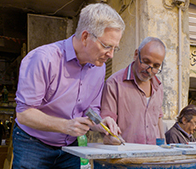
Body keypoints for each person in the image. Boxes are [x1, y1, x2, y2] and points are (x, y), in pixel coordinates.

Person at [13, 3, 125, 168]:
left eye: (115, 48)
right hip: (33, 144)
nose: (111, 55)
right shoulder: (43, 59)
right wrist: (65, 126)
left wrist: (102, 124)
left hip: (70, 148)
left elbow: (90, 111)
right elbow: (24, 114)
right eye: (106, 46)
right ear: (85, 37)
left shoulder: (98, 69)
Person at [101, 37, 166, 145]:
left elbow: (158, 118)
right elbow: (107, 122)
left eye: (156, 66)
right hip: (125, 157)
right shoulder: (114, 83)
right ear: (136, 54)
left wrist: (164, 144)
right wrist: (111, 138)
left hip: (153, 156)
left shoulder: (158, 87)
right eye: (146, 62)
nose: (149, 70)